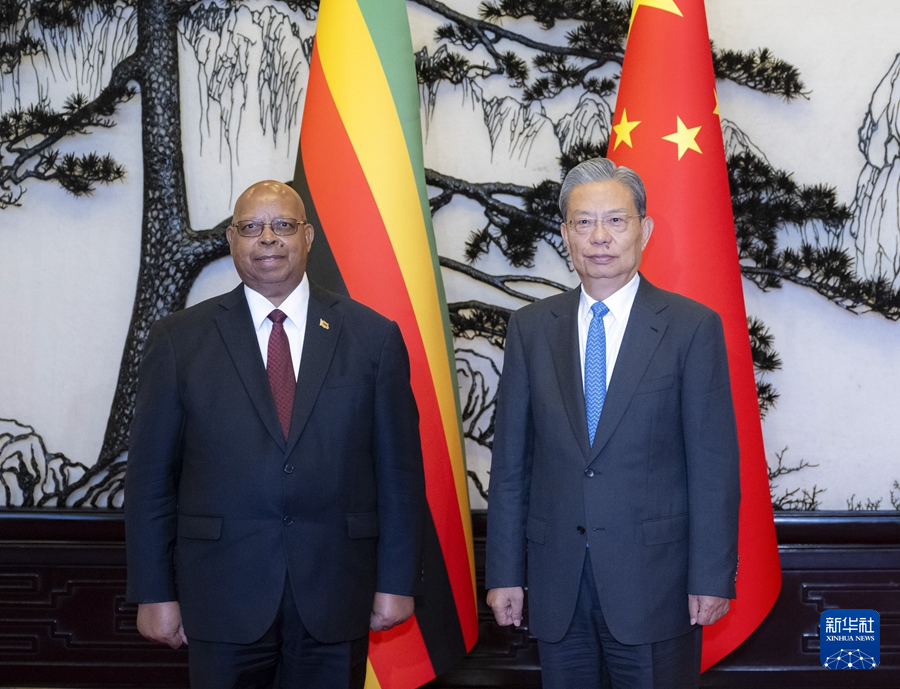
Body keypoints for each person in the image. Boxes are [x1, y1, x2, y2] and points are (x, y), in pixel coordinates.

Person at [125, 180, 426, 689]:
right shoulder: (179, 340)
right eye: (251, 227)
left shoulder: (373, 338)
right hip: (219, 595)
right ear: (231, 239)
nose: (268, 237)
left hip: (336, 591)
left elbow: (400, 474)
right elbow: (150, 480)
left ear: (308, 236)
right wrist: (154, 592)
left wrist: (396, 582)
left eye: (283, 225)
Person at [485, 158, 740, 689]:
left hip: (657, 584)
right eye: (583, 222)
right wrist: (505, 572)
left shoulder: (691, 328)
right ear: (565, 235)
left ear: (645, 230)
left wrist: (711, 576)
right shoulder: (531, 329)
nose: (599, 237)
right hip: (556, 583)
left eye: (616, 221)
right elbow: (510, 465)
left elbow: (713, 468)